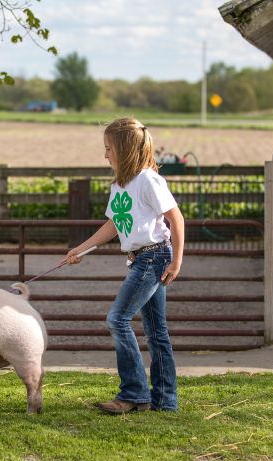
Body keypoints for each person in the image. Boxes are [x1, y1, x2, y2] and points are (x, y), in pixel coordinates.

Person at [62, 117, 185, 414]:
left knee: (117, 319)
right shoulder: (121, 184)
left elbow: (176, 219)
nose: (105, 155)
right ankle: (165, 401)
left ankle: (134, 394)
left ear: (125, 149)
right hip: (140, 259)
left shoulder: (148, 180)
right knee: (157, 332)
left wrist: (177, 260)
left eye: (108, 148)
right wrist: (81, 249)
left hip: (153, 257)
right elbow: (115, 224)